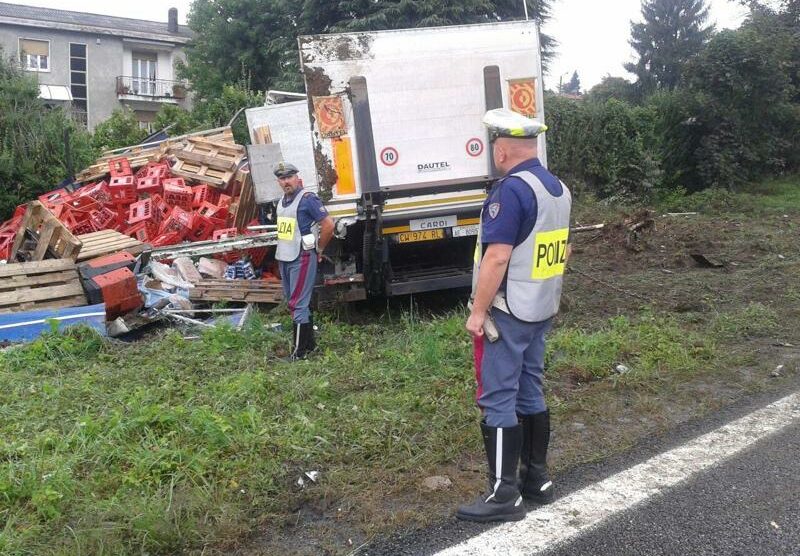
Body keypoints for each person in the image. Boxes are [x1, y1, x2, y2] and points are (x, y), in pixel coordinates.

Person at [456, 108, 572, 523]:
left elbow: (498, 256)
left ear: (502, 150)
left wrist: (478, 310)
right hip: (540, 308)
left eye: (494, 148)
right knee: (530, 390)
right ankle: (536, 479)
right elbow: (562, 250)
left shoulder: (511, 191)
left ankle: (503, 495)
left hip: (507, 313)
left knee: (497, 398)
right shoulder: (557, 188)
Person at [273, 161, 335, 359]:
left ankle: (298, 353)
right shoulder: (281, 201)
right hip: (284, 257)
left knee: (298, 303)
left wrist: (320, 249)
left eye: (289, 177)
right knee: (296, 302)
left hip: (302, 257)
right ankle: (309, 346)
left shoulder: (308, 199)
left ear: (297, 178)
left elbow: (328, 225)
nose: (286, 182)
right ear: (278, 182)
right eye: (282, 178)